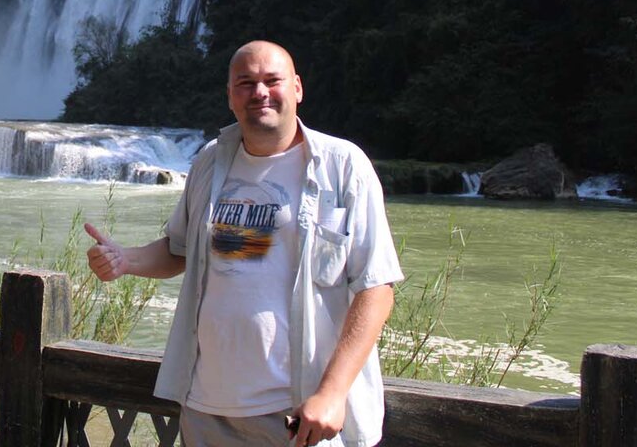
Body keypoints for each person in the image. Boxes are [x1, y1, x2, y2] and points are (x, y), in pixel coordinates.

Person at [85, 41, 403, 447]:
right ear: (231, 95)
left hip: (299, 413)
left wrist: (333, 393)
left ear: (298, 88)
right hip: (206, 408)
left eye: (273, 80)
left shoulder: (343, 166)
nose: (260, 92)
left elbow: (376, 287)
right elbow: (178, 250)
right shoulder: (210, 162)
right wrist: (124, 259)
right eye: (246, 82)